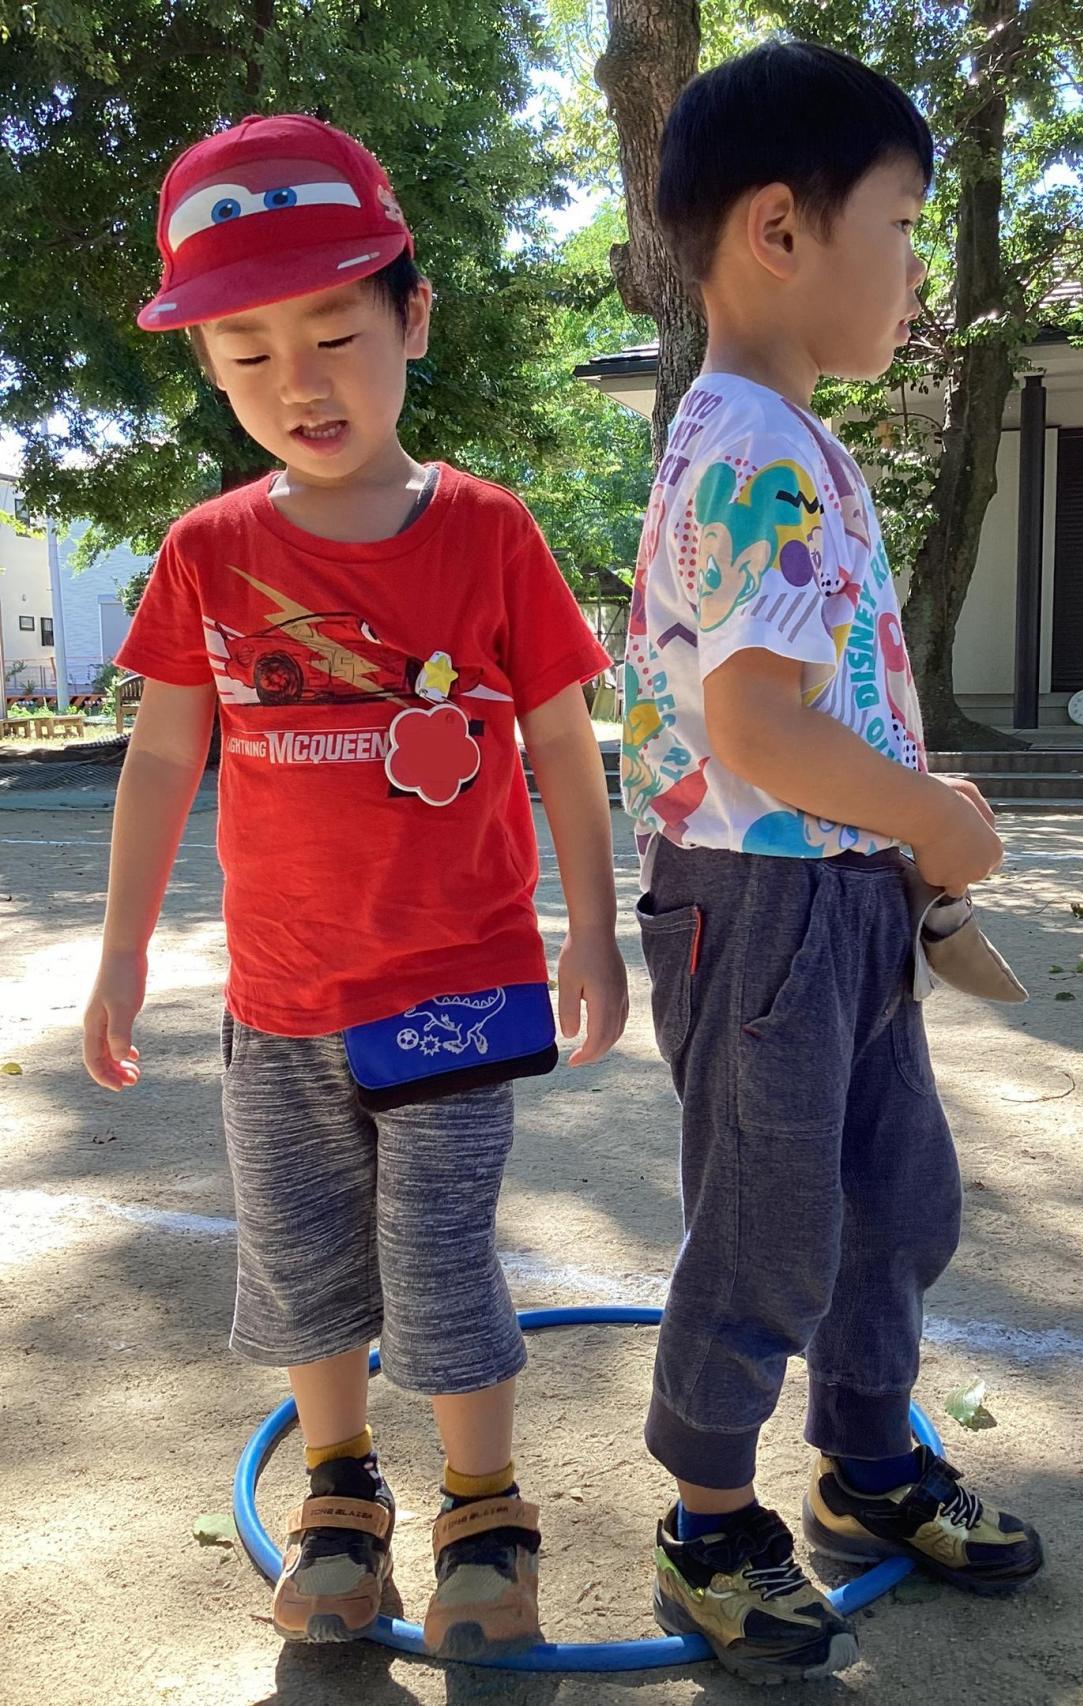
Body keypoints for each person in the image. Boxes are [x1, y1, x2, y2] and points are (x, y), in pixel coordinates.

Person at [83, 113, 629, 1660]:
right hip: (280, 1000)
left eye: (334, 331)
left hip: (454, 986)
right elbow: (161, 758)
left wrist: (593, 929)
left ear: (414, 317)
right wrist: (122, 952)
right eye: (248, 352)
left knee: (438, 1257)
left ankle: (486, 1509)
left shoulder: (490, 531)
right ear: (209, 369)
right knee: (303, 1261)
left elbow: (564, 744)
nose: (298, 380)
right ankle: (340, 1495)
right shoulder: (206, 552)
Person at [624, 42, 1044, 1685]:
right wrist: (928, 814)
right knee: (771, 1218)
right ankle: (710, 1518)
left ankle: (867, 1460)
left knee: (896, 1198)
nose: (921, 265)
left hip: (839, 893)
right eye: (906, 224)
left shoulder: (790, 435)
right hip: (765, 898)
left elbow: (813, 704)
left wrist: (908, 814)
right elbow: (756, 731)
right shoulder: (752, 445)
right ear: (783, 230)